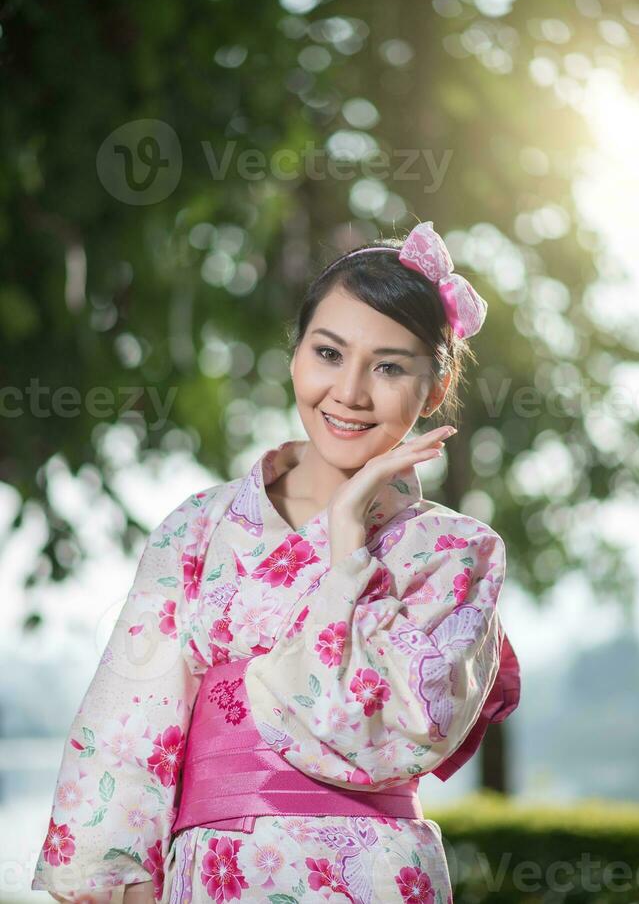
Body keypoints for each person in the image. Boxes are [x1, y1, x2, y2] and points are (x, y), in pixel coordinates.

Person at [32, 220, 521, 904]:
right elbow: (125, 730)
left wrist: (348, 547)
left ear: (433, 391)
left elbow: (393, 731)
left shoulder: (457, 553)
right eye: (328, 352)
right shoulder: (197, 530)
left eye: (389, 366)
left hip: (378, 876)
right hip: (213, 875)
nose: (349, 392)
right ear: (295, 356)